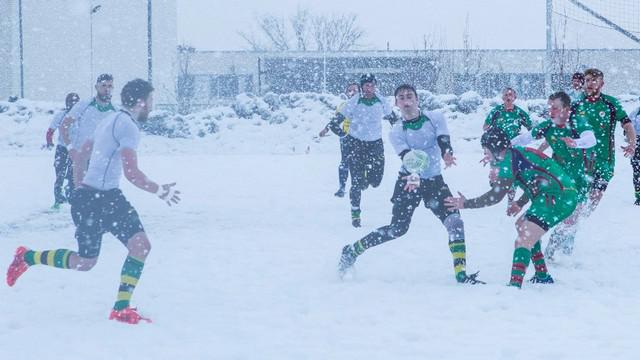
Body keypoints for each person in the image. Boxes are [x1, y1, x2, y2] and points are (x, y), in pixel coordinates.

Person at [7, 79, 181, 325]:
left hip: (102, 197)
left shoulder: (108, 120)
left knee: (139, 246)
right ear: (141, 102)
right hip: (97, 199)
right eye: (151, 101)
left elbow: (81, 154)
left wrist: (80, 188)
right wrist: (159, 190)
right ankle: (28, 257)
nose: (151, 106)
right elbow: (131, 173)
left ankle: (121, 307)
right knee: (85, 262)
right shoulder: (128, 126)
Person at [338, 84, 484, 284]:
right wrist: (414, 174)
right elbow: (407, 156)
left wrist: (447, 153)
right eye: (401, 98)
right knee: (397, 229)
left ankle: (461, 274)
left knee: (455, 222)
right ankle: (352, 250)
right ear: (396, 103)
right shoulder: (396, 131)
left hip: (434, 182)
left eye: (409, 96)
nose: (406, 101)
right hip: (408, 182)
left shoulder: (435, 117)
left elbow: (443, 139)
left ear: (417, 100)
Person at [445, 127, 578, 288]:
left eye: (486, 150)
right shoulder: (513, 155)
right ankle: (542, 275)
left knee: (524, 238)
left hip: (558, 196)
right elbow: (537, 180)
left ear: (495, 148)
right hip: (553, 194)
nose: (485, 154)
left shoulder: (509, 159)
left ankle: (515, 286)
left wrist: (466, 203)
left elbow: (496, 196)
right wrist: (520, 203)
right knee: (521, 225)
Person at [511, 91, 596, 258]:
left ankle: (560, 249)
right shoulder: (548, 126)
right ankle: (547, 250)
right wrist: (502, 149)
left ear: (566, 109)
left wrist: (576, 143)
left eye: (555, 108)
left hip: (580, 178)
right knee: (557, 213)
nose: (551, 111)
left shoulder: (577, 122)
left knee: (572, 219)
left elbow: (591, 139)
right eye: (550, 107)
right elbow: (524, 138)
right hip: (558, 178)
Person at [328, 73, 396, 227]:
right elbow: (334, 123)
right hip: (356, 144)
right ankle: (355, 214)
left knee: (376, 181)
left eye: (372, 85)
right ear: (361, 87)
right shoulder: (354, 101)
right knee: (356, 183)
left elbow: (393, 119)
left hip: (375, 145)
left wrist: (403, 133)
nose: (369, 89)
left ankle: (366, 179)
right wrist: (343, 134)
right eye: (366, 86)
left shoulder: (381, 100)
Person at [572, 68, 636, 216]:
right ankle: (568, 233)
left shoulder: (610, 103)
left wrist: (632, 144)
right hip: (580, 161)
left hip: (604, 161)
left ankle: (582, 228)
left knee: (593, 202)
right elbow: (561, 127)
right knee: (577, 205)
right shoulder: (576, 104)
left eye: (594, 80)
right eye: (587, 80)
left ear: (602, 83)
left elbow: (627, 124)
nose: (590, 83)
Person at [60, 73, 117, 187]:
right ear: (96, 87)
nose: (107, 89)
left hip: (101, 159)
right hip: (81, 157)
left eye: (110, 86)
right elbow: (64, 126)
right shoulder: (84, 105)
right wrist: (70, 149)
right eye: (103, 86)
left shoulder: (115, 110)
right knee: (77, 193)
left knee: (98, 194)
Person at [483, 87, 533, 206]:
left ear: (515, 98)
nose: (508, 97)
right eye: (505, 95)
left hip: (513, 146)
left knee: (512, 173)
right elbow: (485, 126)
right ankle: (495, 184)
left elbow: (531, 128)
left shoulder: (519, 113)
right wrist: (494, 133)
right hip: (497, 146)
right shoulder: (496, 111)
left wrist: (522, 137)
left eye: (510, 95)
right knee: (496, 175)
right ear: (502, 98)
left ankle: (510, 200)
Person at [318, 82, 360, 197]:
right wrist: (325, 130)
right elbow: (334, 121)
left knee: (358, 163)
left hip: (360, 139)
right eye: (350, 90)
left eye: (355, 90)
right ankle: (342, 187)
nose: (352, 92)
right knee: (344, 163)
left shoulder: (363, 105)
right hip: (346, 138)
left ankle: (359, 185)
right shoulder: (343, 106)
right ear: (346, 93)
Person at [45, 92, 80, 209]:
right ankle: (58, 199)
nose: (73, 104)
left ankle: (72, 198)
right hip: (62, 149)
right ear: (67, 103)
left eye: (76, 102)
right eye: (71, 102)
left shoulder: (82, 117)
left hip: (75, 150)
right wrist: (49, 142)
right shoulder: (60, 115)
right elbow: (50, 130)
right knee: (59, 174)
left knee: (72, 176)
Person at [629, 103, 640, 205]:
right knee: (636, 169)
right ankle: (638, 195)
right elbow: (628, 126)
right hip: (637, 141)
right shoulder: (635, 112)